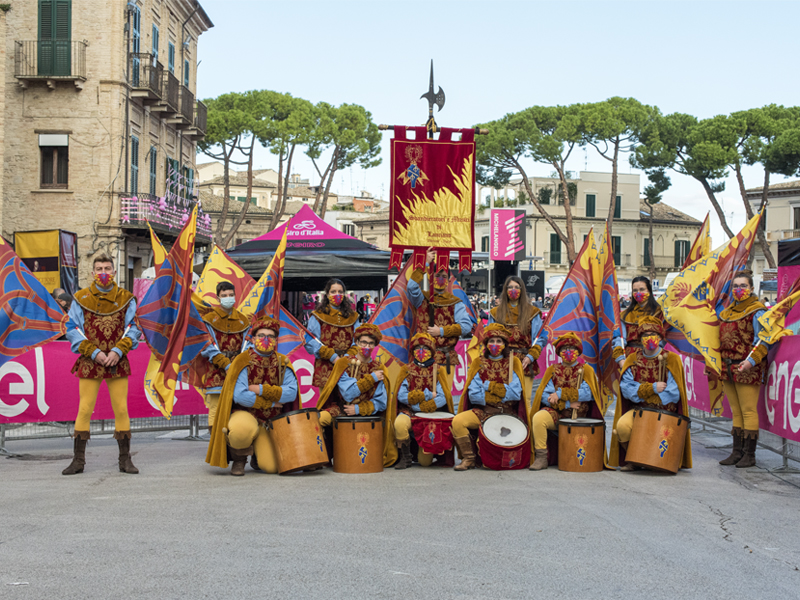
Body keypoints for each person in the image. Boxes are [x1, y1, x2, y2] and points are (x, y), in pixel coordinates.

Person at [62, 255, 141, 475]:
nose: (103, 272)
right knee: (85, 408)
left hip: (118, 360)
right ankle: (78, 461)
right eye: (99, 268)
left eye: (107, 268)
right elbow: (72, 329)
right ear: (92, 273)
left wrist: (118, 350)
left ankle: (125, 460)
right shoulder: (80, 298)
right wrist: (94, 352)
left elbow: (133, 328)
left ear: (114, 272)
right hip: (90, 360)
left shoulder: (127, 298)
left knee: (122, 409)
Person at [205, 317, 299, 476]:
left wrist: (260, 389)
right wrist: (271, 403)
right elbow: (240, 396)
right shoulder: (243, 360)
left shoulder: (283, 362)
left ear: (276, 340)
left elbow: (291, 393)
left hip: (269, 422)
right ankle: (239, 459)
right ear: (253, 338)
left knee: (272, 468)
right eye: (261, 335)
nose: (266, 339)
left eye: (270, 336)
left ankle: (257, 455)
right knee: (241, 430)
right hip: (245, 414)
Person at [609, 316, 692, 471]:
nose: (649, 338)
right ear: (641, 339)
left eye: (653, 334)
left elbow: (673, 394)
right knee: (622, 427)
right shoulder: (632, 359)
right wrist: (652, 388)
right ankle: (635, 458)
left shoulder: (672, 359)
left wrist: (641, 392)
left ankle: (659, 460)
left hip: (665, 412)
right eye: (645, 335)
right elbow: (627, 390)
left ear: (660, 337)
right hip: (639, 410)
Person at [710, 271, 771, 468]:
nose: (739, 290)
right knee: (736, 411)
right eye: (735, 286)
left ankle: (749, 455)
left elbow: (763, 340)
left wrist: (750, 362)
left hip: (747, 367)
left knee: (748, 410)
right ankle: (736, 452)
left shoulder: (757, 311)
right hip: (727, 367)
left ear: (751, 288)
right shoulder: (726, 313)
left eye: (743, 286)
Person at [317, 323, 396, 466]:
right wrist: (372, 378)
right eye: (364, 342)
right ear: (357, 343)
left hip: (367, 413)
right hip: (342, 409)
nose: (367, 346)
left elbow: (382, 402)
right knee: (320, 418)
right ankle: (320, 457)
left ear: (375, 346)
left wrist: (359, 409)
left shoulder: (380, 368)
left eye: (371, 343)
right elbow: (348, 395)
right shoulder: (344, 363)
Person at [451, 324, 527, 471]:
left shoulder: (513, 363)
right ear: (486, 344)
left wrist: (488, 386)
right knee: (458, 421)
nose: (495, 344)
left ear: (504, 344)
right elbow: (474, 396)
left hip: (507, 413)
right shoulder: (478, 363)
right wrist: (501, 393)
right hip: (484, 412)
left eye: (499, 341)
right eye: (491, 341)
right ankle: (469, 459)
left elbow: (515, 395)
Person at [529, 332, 604, 470]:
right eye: (564, 349)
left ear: (578, 351)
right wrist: (567, 403)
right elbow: (546, 397)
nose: (568, 352)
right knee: (539, 418)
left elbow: (587, 394)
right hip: (557, 414)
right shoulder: (552, 370)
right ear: (559, 352)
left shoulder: (586, 369)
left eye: (572, 348)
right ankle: (541, 458)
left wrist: (560, 393)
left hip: (580, 417)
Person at [407, 247, 472, 392]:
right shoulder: (421, 298)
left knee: (444, 399)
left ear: (449, 279)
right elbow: (411, 287)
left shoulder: (456, 302)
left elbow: (466, 326)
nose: (440, 279)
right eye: (437, 276)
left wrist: (441, 331)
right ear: (431, 277)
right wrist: (424, 263)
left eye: (443, 276)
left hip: (445, 358)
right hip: (421, 357)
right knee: (419, 393)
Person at [392, 333, 454, 469]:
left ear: (431, 351)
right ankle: (406, 457)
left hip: (431, 413)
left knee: (424, 462)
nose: (421, 351)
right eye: (417, 347)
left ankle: (422, 450)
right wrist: (426, 396)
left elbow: (443, 397)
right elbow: (401, 396)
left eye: (425, 348)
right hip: (410, 411)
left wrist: (426, 406)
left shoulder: (438, 370)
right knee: (399, 424)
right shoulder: (406, 370)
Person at [200, 281, 250, 435]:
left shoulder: (243, 320)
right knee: (215, 407)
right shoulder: (209, 319)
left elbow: (248, 345)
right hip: (216, 370)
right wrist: (225, 364)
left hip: (238, 370)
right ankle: (216, 445)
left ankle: (235, 444)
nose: (228, 298)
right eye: (224, 296)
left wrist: (237, 365)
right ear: (218, 297)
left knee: (239, 405)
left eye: (231, 295)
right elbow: (206, 346)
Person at [489, 276, 545, 398]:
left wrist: (531, 356)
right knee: (501, 399)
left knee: (525, 400)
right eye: (510, 287)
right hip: (501, 361)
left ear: (522, 290)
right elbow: (489, 337)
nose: (513, 290)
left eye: (516, 287)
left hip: (525, 361)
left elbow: (540, 338)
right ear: (505, 289)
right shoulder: (495, 313)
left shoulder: (532, 312)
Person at [305, 278, 359, 392]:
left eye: (340, 292)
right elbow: (310, 341)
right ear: (327, 294)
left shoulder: (353, 317)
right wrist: (332, 356)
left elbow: (358, 340)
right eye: (333, 292)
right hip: (325, 365)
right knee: (326, 405)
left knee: (348, 405)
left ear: (344, 294)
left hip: (348, 365)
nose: (337, 294)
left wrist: (348, 357)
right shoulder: (318, 315)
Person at [616, 276, 665, 364]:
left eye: (642, 289)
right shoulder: (625, 315)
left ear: (649, 291)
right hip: (630, 358)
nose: (638, 293)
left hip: (654, 357)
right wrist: (621, 360)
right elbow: (620, 339)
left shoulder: (659, 312)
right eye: (635, 290)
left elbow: (663, 338)